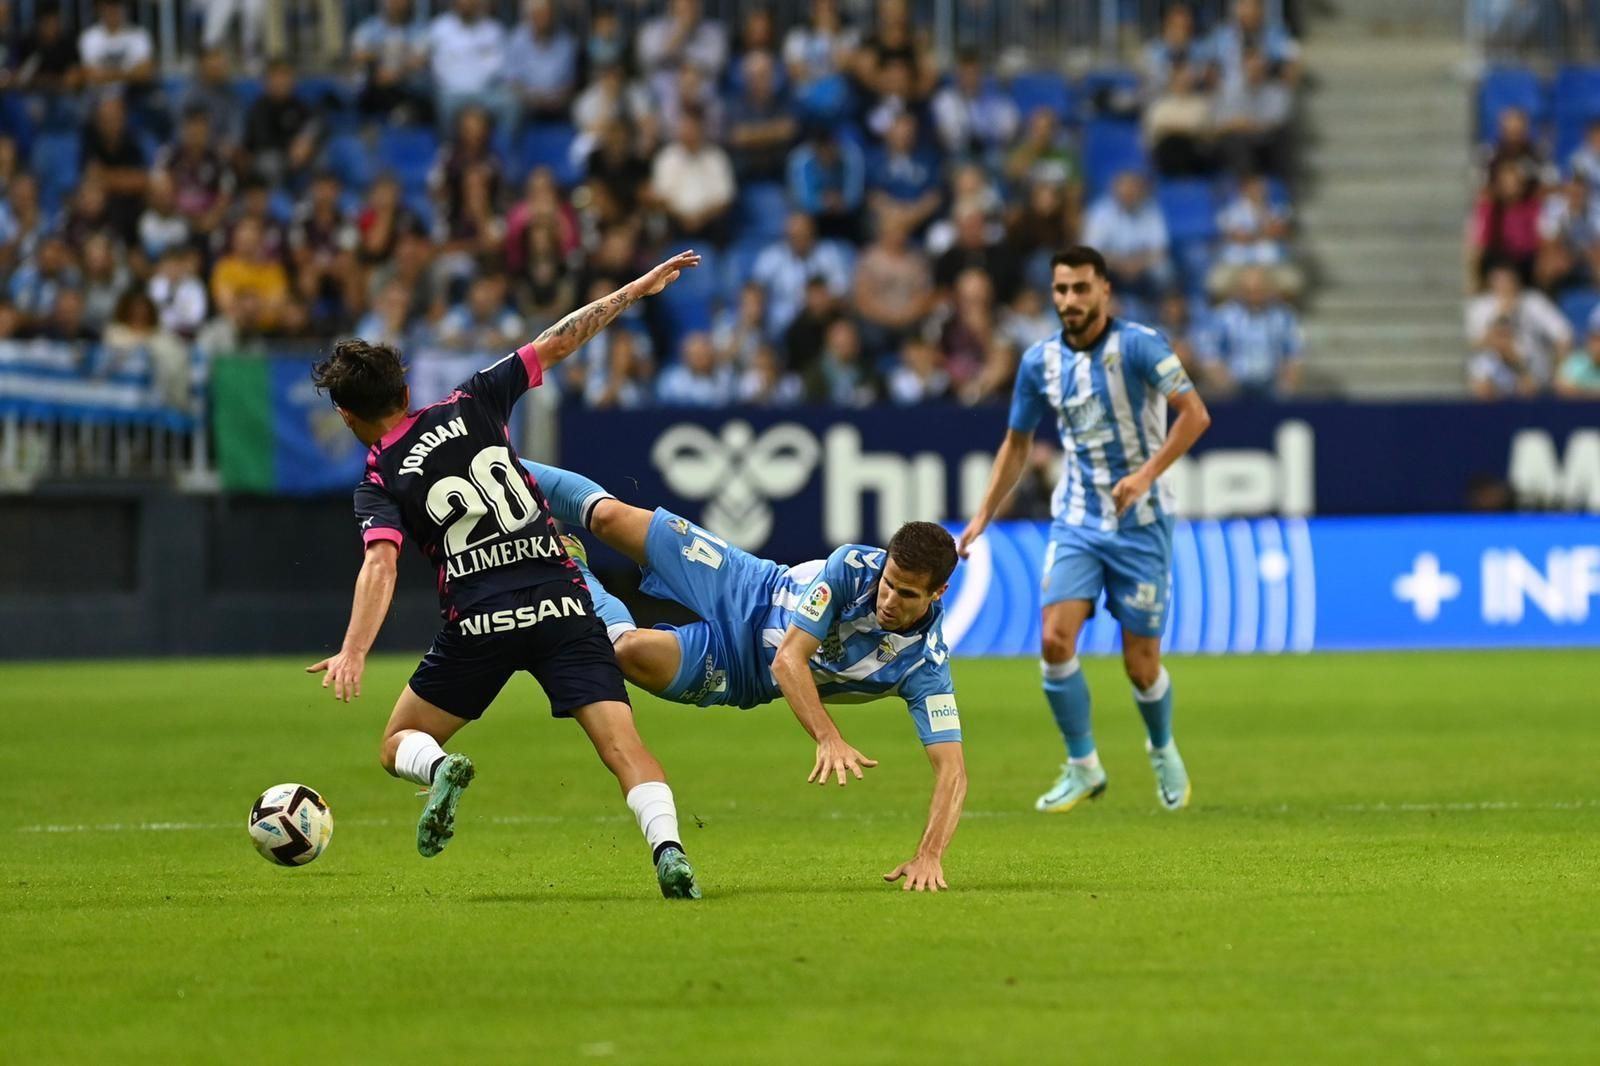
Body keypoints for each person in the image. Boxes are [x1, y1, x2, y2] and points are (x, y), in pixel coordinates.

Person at [305, 248, 706, 900]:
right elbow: (558, 340)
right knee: (622, 746)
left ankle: (439, 769)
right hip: (562, 602)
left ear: (348, 417)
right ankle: (668, 849)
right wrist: (634, 288)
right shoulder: (474, 401)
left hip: (481, 618)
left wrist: (353, 651)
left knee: (397, 742)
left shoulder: (379, 478)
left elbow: (380, 564)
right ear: (408, 393)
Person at [519, 461, 967, 892]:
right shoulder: (851, 568)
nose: (889, 599)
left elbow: (953, 772)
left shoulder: (923, 664)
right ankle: (490, 454)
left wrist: (930, 854)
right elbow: (790, 659)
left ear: (937, 592)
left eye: (906, 594)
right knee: (610, 517)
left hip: (744, 671)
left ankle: (570, 566)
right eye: (889, 581)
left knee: (626, 652)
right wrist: (828, 737)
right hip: (746, 585)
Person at [958, 245, 1212, 814]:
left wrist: (1146, 474)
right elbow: (1017, 444)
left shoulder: (1142, 345)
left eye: (1080, 288)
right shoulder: (1038, 362)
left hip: (1142, 522)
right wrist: (982, 516)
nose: (1069, 300)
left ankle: (1162, 746)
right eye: (1060, 290)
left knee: (1141, 664)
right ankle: (1083, 766)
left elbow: (1195, 415)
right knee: (1053, 640)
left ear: (1104, 291)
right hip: (1075, 518)